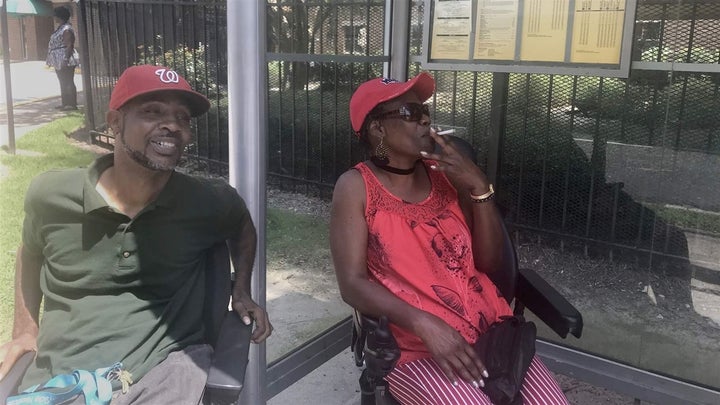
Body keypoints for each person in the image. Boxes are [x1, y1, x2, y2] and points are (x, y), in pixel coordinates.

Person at [0, 65, 272, 404]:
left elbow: (242, 224)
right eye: (152, 111)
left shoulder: (207, 201)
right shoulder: (51, 195)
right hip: (60, 379)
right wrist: (24, 331)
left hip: (160, 373)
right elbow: (30, 252)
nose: (172, 125)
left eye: (183, 118)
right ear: (115, 122)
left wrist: (242, 290)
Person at [330, 73, 569, 404]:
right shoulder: (356, 187)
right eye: (409, 113)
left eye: (425, 110)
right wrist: (426, 325)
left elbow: (487, 263)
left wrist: (478, 187)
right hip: (416, 347)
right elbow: (352, 284)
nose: (425, 118)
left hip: (492, 336)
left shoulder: (446, 178)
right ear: (377, 128)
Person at [47, 6, 78, 111]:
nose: (54, 17)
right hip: (58, 59)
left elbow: (69, 45)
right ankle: (65, 103)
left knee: (68, 80)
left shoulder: (66, 29)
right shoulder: (60, 28)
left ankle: (72, 104)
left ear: (60, 16)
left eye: (55, 15)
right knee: (62, 81)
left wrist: (65, 59)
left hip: (65, 59)